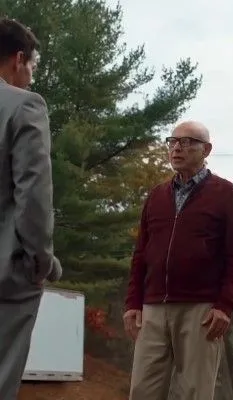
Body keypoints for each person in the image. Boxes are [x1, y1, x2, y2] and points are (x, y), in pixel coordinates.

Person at [123, 121, 233, 400]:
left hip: (201, 311)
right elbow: (141, 254)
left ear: (206, 150)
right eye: (173, 141)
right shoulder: (156, 196)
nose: (177, 148)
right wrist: (133, 303)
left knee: (194, 392)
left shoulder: (226, 194)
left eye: (187, 142)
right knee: (142, 391)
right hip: (153, 308)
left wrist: (225, 306)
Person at [0, 17, 62, 399]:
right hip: (7, 279)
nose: (31, 77)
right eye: (33, 66)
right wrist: (40, 263)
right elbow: (33, 196)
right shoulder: (23, 105)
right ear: (18, 59)